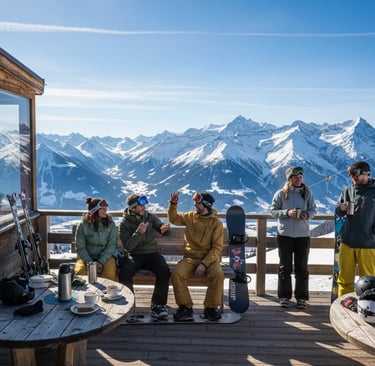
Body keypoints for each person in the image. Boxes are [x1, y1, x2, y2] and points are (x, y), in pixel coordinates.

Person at [168, 191, 224, 321]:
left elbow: (217, 248)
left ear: (206, 205)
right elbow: (173, 219)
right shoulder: (190, 217)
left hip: (209, 259)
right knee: (177, 274)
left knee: (217, 274)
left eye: (198, 203)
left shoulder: (216, 224)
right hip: (190, 258)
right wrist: (173, 203)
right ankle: (185, 307)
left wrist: (204, 263)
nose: (195, 205)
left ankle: (210, 308)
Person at [118, 194, 171, 321]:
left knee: (164, 270)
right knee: (125, 272)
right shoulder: (124, 223)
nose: (144, 207)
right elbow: (128, 247)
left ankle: (158, 306)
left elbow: (163, 229)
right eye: (141, 205)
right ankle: (129, 308)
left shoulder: (149, 217)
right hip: (134, 255)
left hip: (151, 253)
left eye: (144, 205)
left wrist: (165, 230)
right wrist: (138, 233)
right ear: (133, 207)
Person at [270, 166, 317, 309]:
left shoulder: (307, 193)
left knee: (302, 267)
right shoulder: (281, 194)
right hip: (285, 235)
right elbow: (273, 211)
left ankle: (301, 298)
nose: (299, 180)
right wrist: (286, 213)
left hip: (302, 235)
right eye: (296, 177)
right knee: (285, 266)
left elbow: (313, 209)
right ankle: (284, 296)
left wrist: (307, 215)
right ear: (290, 179)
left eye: (301, 177)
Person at [335, 160, 375, 297]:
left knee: (369, 283)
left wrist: (372, 235)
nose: (353, 177)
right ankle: (343, 307)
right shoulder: (347, 191)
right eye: (351, 174)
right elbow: (338, 211)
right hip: (347, 242)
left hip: (368, 244)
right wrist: (340, 208)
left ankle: (367, 309)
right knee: (344, 280)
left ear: (366, 174)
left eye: (356, 174)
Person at [74, 197, 118, 281]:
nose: (105, 210)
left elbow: (112, 245)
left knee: (110, 273)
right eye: (102, 209)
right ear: (94, 211)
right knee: (80, 273)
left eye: (105, 208)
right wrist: (90, 262)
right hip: (86, 257)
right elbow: (80, 247)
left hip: (106, 257)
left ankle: (109, 293)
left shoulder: (110, 224)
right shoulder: (83, 225)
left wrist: (101, 261)